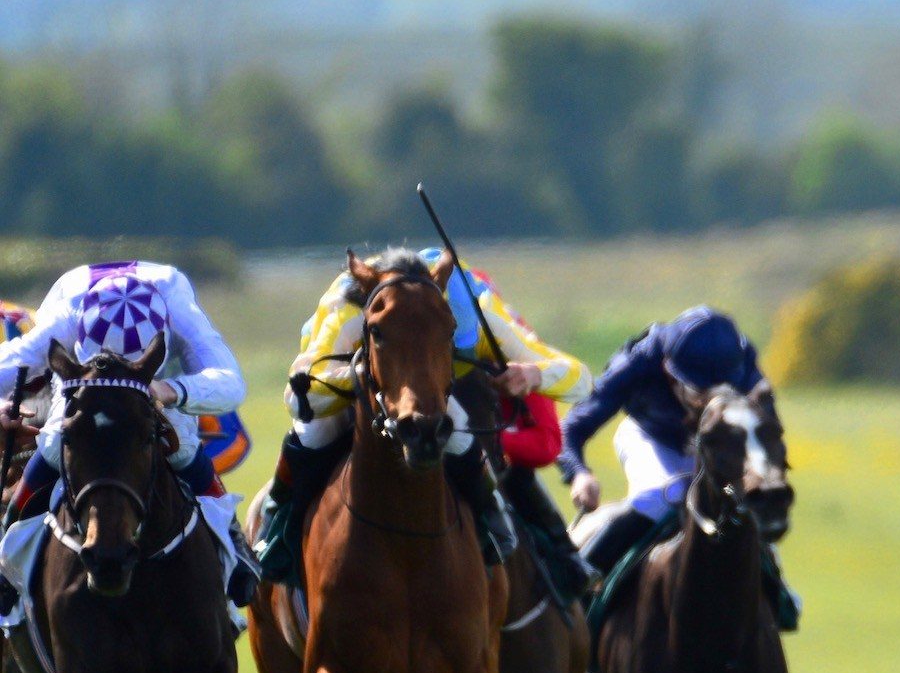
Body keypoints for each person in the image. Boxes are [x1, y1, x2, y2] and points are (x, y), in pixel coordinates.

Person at [252, 248, 591, 582]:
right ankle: (276, 527)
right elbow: (300, 399)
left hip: (428, 390)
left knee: (460, 435)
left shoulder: (479, 311)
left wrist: (533, 374)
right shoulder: (347, 311)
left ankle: (491, 520)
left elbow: (580, 379)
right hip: (356, 377)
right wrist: (362, 375)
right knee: (312, 433)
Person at [0, 262, 257, 609]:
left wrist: (171, 389)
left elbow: (231, 382)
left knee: (182, 446)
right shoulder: (68, 310)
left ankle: (233, 541)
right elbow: (14, 360)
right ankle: (8, 549)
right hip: (84, 384)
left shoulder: (174, 298)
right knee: (53, 443)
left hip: (152, 386)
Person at [560, 305, 768, 574]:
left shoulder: (741, 363)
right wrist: (578, 473)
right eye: (700, 392)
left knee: (749, 513)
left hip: (713, 448)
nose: (710, 404)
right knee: (664, 495)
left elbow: (765, 437)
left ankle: (781, 594)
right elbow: (571, 428)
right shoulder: (638, 362)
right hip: (648, 435)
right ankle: (578, 581)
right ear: (669, 372)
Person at [496, 388, 596, 604]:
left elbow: (545, 445)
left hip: (498, 459)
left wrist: (494, 440)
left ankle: (570, 560)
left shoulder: (518, 371)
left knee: (518, 476)